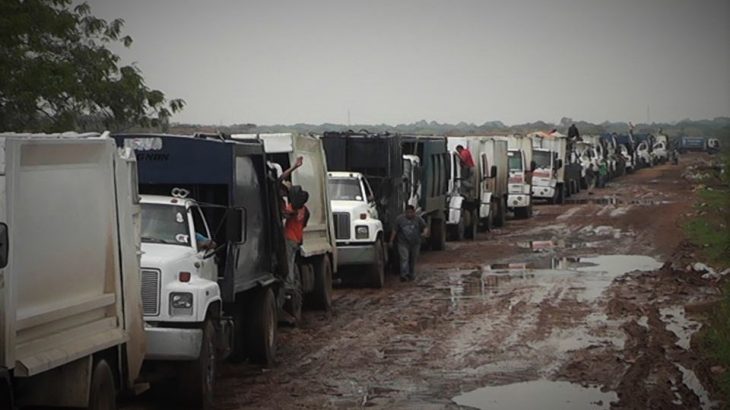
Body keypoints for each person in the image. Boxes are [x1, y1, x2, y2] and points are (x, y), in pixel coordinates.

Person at [388, 205, 428, 282]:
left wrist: (424, 233)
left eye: (411, 212)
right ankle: (404, 275)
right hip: (403, 243)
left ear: (414, 212)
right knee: (404, 258)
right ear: (405, 212)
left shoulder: (418, 219)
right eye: (407, 212)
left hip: (415, 243)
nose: (409, 214)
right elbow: (394, 230)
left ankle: (411, 274)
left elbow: (425, 227)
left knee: (413, 259)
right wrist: (391, 241)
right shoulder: (399, 219)